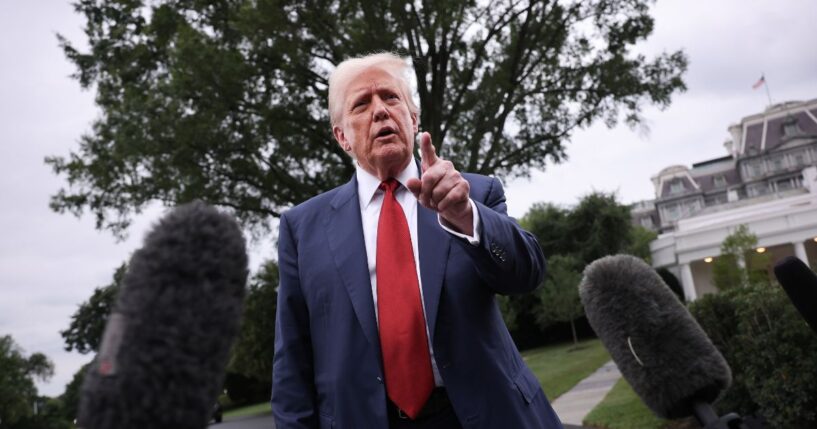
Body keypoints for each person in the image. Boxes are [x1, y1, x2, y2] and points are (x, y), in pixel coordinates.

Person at [272, 52, 563, 429]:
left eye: (390, 97)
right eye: (361, 104)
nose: (380, 110)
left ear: (413, 119)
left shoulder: (472, 193)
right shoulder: (301, 229)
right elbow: (292, 361)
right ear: (342, 136)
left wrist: (466, 216)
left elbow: (527, 274)